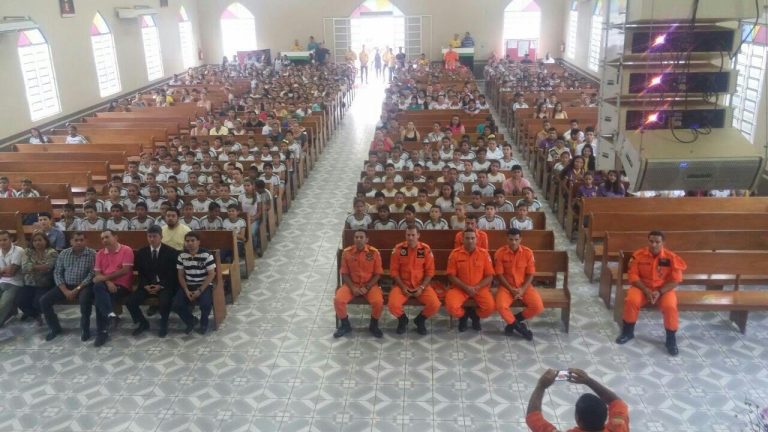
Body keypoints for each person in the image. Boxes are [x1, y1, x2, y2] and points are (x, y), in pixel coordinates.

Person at [616, 230, 687, 356]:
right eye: (651, 241)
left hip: (663, 290)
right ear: (648, 241)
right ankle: (628, 332)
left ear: (663, 242)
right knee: (631, 301)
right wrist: (646, 290)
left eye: (657, 242)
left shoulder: (671, 258)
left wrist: (659, 292)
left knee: (670, 306)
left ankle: (670, 340)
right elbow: (633, 276)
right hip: (642, 288)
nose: (654, 244)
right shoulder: (638, 255)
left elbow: (676, 281)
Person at [526, 368, 629, 432]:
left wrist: (541, 386)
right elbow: (616, 402)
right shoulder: (619, 426)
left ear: (578, 419)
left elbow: (533, 418)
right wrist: (588, 381)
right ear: (606, 416)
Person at [39, 231, 95, 341]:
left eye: (81, 240)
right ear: (71, 241)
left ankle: (85, 328)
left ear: (86, 241)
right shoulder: (64, 253)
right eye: (76, 240)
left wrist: (77, 289)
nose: (78, 242)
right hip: (65, 286)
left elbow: (92, 274)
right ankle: (54, 328)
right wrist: (65, 290)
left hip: (84, 286)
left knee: (84, 301)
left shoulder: (93, 254)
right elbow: (57, 272)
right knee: (44, 301)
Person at [125, 225, 179, 338]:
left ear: (161, 237)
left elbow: (172, 274)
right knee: (130, 301)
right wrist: (145, 285)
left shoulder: (171, 252)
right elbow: (141, 273)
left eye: (154, 236)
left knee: (165, 301)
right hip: (147, 285)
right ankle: (143, 322)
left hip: (164, 285)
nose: (152, 239)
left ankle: (164, 324)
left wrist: (161, 285)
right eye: (149, 236)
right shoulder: (142, 252)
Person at [387, 225, 441, 335]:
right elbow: (394, 271)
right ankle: (403, 320)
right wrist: (402, 287)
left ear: (418, 235)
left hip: (421, 285)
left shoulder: (425, 249)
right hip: (402, 284)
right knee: (392, 305)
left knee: (435, 304)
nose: (410, 238)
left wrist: (421, 287)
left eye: (413, 235)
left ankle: (420, 320)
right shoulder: (398, 249)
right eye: (408, 235)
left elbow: (430, 272)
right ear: (405, 235)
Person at [333, 229, 384, 338]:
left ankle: (374, 325)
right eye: (356, 237)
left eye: (361, 237)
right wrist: (352, 288)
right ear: (354, 239)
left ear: (367, 239)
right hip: (352, 284)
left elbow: (378, 274)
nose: (358, 239)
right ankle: (345, 325)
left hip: (369, 285)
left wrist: (367, 287)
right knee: (338, 300)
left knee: (378, 302)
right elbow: (344, 273)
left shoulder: (374, 252)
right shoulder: (347, 252)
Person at [87, 230, 134, 347]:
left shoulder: (126, 250)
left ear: (116, 237)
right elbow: (97, 273)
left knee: (99, 298)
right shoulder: (100, 253)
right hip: (105, 285)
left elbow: (125, 270)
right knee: (99, 290)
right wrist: (108, 282)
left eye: (107, 237)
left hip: (122, 285)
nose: (104, 240)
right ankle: (108, 314)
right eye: (102, 239)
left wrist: (105, 279)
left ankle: (102, 331)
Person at [494, 228, 543, 340]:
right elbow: (499, 275)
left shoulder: (528, 253)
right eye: (511, 239)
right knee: (501, 306)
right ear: (507, 239)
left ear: (520, 239)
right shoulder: (500, 253)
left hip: (524, 286)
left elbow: (530, 274)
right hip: (506, 287)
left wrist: (522, 289)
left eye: (516, 239)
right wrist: (511, 289)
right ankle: (520, 329)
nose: (513, 242)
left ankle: (512, 322)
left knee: (538, 307)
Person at [445, 229, 496, 332]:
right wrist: (466, 287)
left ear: (477, 239)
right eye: (467, 238)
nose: (470, 240)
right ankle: (463, 316)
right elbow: (451, 276)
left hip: (479, 288)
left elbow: (490, 276)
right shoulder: (455, 254)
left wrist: (477, 287)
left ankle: (474, 316)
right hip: (460, 288)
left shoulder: (484, 254)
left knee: (490, 308)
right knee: (451, 307)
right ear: (462, 239)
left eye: (473, 238)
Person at [173, 232, 216, 335]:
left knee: (205, 304)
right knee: (176, 304)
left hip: (203, 285)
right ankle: (190, 321)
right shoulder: (182, 255)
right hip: (188, 285)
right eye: (187, 241)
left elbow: (211, 274)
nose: (190, 243)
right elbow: (180, 275)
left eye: (193, 241)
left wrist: (200, 290)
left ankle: (204, 322)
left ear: (198, 242)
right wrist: (186, 291)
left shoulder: (206, 254)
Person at [17, 232, 58, 326]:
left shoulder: (52, 252)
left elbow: (48, 267)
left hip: (45, 283)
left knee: (38, 302)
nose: (37, 242)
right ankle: (34, 315)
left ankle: (35, 312)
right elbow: (24, 268)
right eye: (35, 240)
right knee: (19, 300)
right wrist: (40, 267)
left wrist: (32, 267)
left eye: (40, 240)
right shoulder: (27, 251)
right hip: (29, 283)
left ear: (46, 241)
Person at [0, 231, 25, 327]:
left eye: (5, 240)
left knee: (2, 306)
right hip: (1, 281)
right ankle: (11, 312)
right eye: (0, 240)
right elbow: (7, 271)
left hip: (16, 283)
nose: (2, 242)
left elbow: (11, 273)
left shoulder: (18, 250)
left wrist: (2, 271)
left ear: (11, 239)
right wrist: (5, 270)